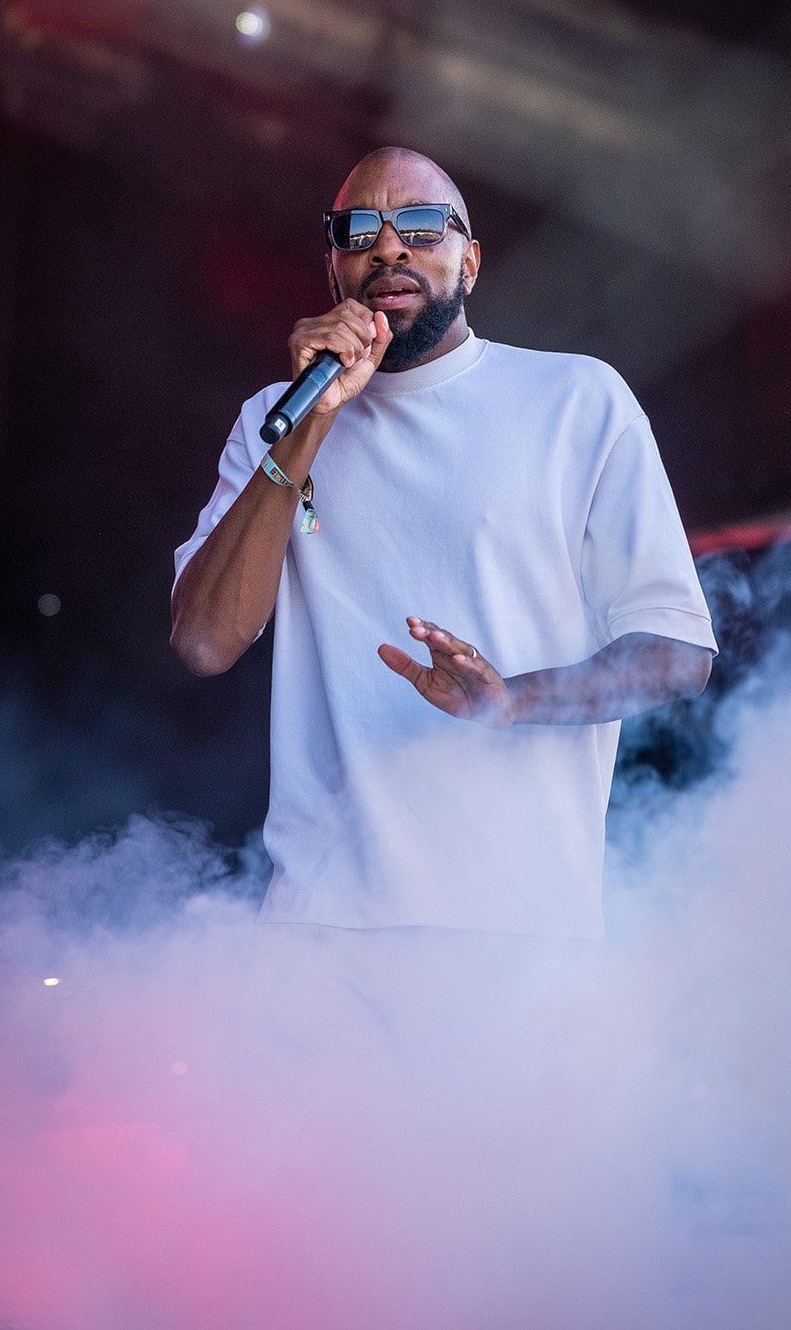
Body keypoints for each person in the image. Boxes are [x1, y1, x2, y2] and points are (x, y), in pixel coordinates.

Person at [171, 146, 717, 943]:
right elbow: (203, 641)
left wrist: (510, 701)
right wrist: (311, 423)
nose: (388, 248)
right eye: (358, 231)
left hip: (521, 937)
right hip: (320, 935)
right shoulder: (279, 417)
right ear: (333, 269)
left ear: (471, 261)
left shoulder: (575, 400)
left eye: (423, 225)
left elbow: (678, 650)